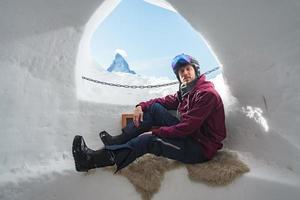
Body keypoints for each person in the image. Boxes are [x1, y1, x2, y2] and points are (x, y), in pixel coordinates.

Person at [72, 54, 226, 173]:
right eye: (181, 71)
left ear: (196, 71)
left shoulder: (206, 94)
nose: (185, 73)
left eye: (188, 69)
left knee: (149, 141)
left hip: (199, 147)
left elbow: (187, 128)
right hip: (191, 135)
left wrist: (156, 132)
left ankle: (92, 160)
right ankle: (117, 142)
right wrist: (140, 106)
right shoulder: (186, 93)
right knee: (155, 108)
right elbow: (163, 101)